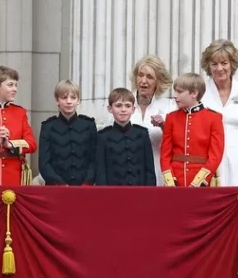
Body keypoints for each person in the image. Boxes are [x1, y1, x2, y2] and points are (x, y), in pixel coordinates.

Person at [161, 73, 224, 187]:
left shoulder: (214, 118)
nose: (175, 96)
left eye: (179, 92)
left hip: (201, 181)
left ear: (194, 93)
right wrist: (170, 180)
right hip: (176, 180)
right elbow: (165, 154)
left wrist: (199, 181)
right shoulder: (171, 118)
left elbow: (215, 155)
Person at [199, 39, 238, 186]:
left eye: (224, 63)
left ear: (232, 64)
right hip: (208, 165)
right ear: (208, 66)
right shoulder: (199, 92)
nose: (219, 68)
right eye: (214, 64)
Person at [38, 79, 96, 186]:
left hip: (84, 188)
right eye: (64, 97)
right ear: (57, 100)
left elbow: (94, 159)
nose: (69, 101)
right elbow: (44, 164)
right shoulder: (48, 126)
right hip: (56, 188)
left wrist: (87, 183)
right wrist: (60, 184)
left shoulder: (89, 125)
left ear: (78, 100)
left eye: (73, 98)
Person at [129, 55, 176, 185]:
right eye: (140, 75)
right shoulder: (123, 104)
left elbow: (180, 141)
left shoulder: (169, 107)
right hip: (129, 173)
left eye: (149, 77)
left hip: (159, 172)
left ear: (158, 81)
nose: (143, 81)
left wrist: (163, 126)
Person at [95, 88, 156, 186]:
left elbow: (149, 170)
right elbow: (101, 172)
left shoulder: (142, 134)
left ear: (133, 109)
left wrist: (149, 195)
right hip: (113, 194)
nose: (123, 110)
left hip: (139, 193)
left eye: (127, 106)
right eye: (118, 106)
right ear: (110, 109)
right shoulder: (103, 136)